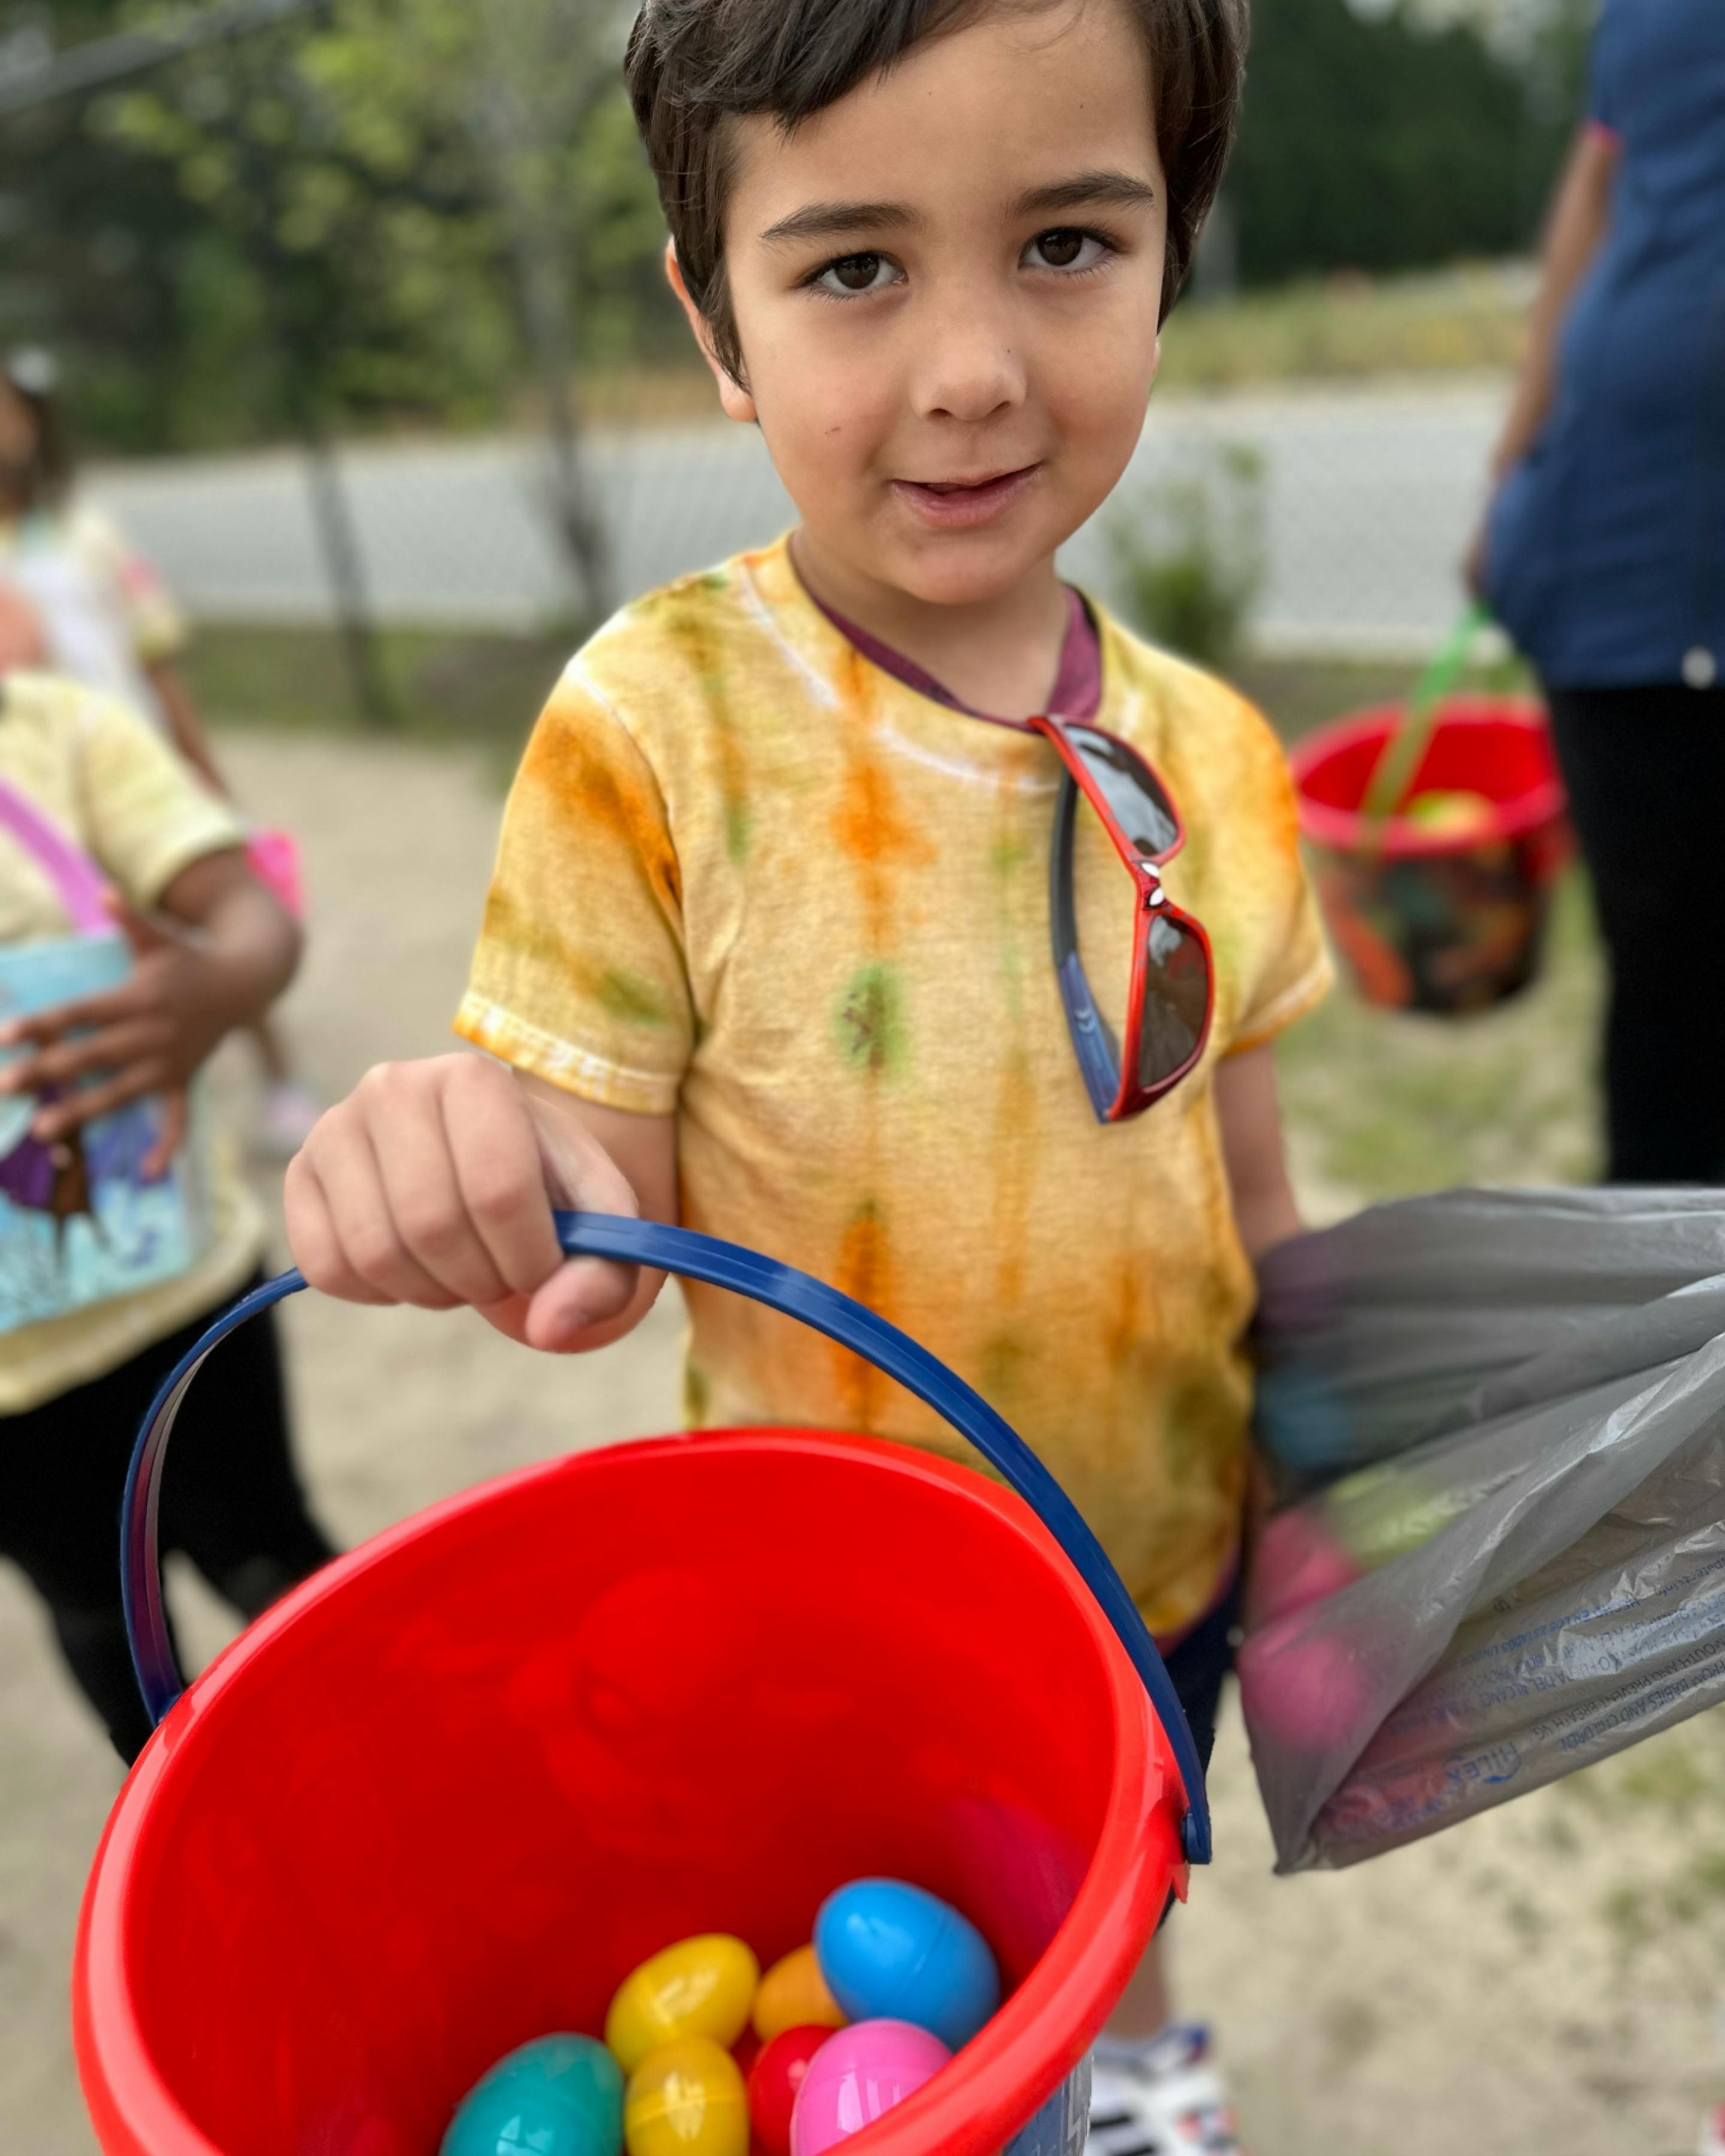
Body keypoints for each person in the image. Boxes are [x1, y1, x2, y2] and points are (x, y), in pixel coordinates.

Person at [285, 2, 1327, 2148]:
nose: (969, 368)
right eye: (855, 266)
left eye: (1066, 243)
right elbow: (591, 1227)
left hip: (1165, 1544)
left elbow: (1253, 1191)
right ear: (717, 322)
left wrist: (1351, 1433)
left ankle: (1149, 2062)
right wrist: (460, 1161)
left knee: (1137, 1863)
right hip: (847, 1625)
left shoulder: (1216, 754)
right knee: (899, 1973)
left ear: (1173, 244)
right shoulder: (657, 728)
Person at [0, 581, 335, 1765]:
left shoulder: (56, 733)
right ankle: (205, 1856)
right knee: (99, 1615)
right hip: (12, 1397)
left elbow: (253, 915)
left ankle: (405, 1778)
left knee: (279, 1568)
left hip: (188, 1301)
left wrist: (215, 986)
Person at [1474, 0, 1725, 1185]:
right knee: (1662, 987)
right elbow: (1595, 187)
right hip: (1618, 552)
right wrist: (1508, 472)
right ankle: (1673, 1333)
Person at [0, 346, 323, 1158]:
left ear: (36, 421)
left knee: (199, 937)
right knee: (114, 961)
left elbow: (154, 656)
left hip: (127, 769)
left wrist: (204, 773)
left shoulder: (87, 536)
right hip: (50, 811)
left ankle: (280, 1077)